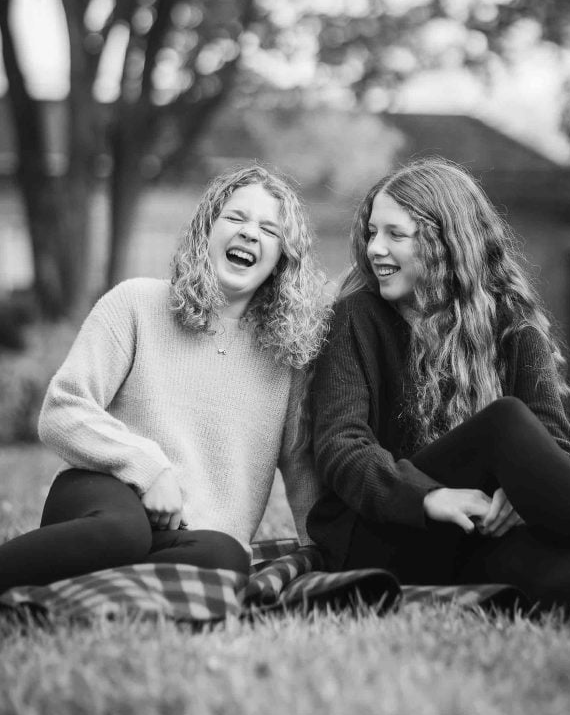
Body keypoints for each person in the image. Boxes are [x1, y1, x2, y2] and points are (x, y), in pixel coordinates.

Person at [307, 157, 570, 623]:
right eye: (371, 232)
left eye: (394, 235)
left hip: (470, 535)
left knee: (520, 556)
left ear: (446, 242)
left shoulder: (511, 321)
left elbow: (556, 442)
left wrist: (519, 497)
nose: (374, 249)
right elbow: (341, 446)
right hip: (377, 536)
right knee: (503, 421)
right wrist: (427, 497)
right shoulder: (356, 318)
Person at [0, 164, 329, 594]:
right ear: (205, 232)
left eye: (269, 229)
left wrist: (321, 552)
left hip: (187, 535)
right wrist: (149, 469)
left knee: (225, 561)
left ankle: (78, 588)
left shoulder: (287, 355)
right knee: (124, 533)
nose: (250, 233)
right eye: (235, 218)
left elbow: (301, 467)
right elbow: (62, 410)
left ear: (283, 255)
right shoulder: (136, 303)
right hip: (103, 495)